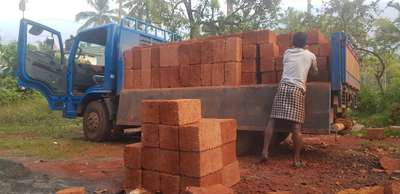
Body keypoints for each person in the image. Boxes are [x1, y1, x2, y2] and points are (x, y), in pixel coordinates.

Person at [261, 32, 318, 167]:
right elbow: (315, 72)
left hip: (283, 87)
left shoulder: (287, 52)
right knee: (296, 126)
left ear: (293, 42)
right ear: (305, 43)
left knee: (272, 120)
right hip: (297, 89)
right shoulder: (310, 55)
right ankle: (296, 160)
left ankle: (264, 151)